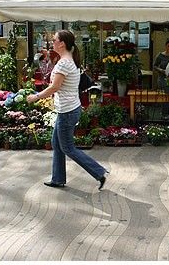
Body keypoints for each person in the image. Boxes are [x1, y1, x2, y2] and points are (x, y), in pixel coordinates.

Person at [27, 30, 108, 190]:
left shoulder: (64, 63)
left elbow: (55, 87)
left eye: (55, 40)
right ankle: (58, 179)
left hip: (67, 111)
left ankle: (99, 172)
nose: (52, 42)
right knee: (56, 144)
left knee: (67, 148)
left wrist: (36, 97)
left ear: (62, 43)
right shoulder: (68, 60)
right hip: (69, 109)